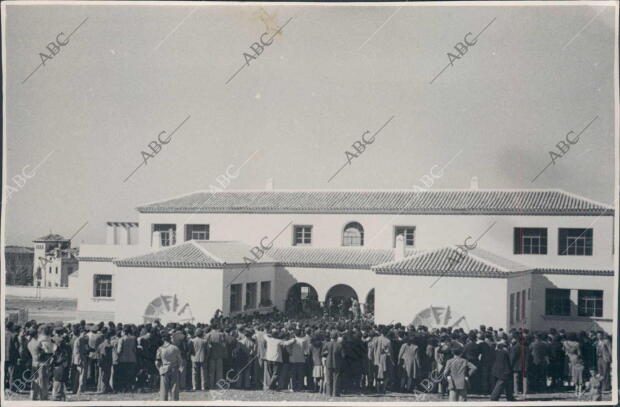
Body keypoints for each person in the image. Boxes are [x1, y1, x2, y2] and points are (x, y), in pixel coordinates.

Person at [156, 332, 183, 401]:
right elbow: (180, 360)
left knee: (163, 390)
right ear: (170, 338)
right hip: (174, 368)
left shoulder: (160, 349)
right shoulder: (175, 348)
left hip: (164, 369)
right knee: (174, 389)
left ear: (163, 339)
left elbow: (157, 362)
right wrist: (180, 369)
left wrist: (159, 369)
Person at [205, 324, 226, 389]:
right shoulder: (221, 334)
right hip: (219, 355)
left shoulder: (208, 335)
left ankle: (211, 385)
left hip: (211, 355)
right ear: (217, 327)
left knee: (211, 372)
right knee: (219, 372)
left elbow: (206, 346)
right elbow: (224, 345)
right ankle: (219, 385)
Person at [117, 325, 138, 392]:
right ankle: (130, 387)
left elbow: (119, 350)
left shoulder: (121, 339)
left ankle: (124, 388)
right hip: (132, 358)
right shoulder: (134, 338)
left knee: (124, 374)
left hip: (123, 359)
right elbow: (135, 349)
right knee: (131, 374)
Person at [322, 331, 344, 397]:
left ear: (330, 337)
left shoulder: (326, 344)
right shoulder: (339, 345)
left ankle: (329, 393)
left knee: (328, 378)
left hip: (328, 363)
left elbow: (322, 353)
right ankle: (335, 393)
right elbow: (343, 355)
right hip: (337, 363)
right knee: (336, 379)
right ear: (336, 337)